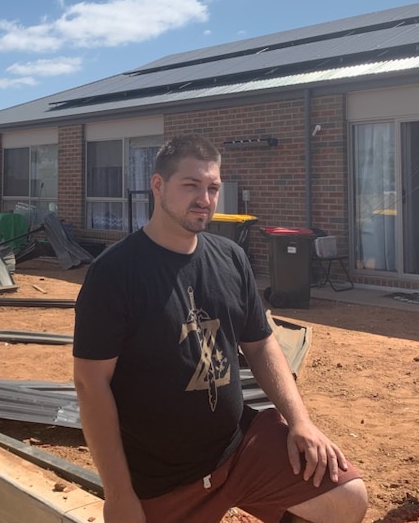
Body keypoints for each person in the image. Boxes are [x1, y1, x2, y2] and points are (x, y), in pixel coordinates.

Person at [73, 134, 368, 523]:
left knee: (346, 497)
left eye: (213, 187)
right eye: (191, 185)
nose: (204, 199)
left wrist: (300, 420)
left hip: (237, 449)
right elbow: (91, 385)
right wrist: (118, 495)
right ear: (158, 186)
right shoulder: (114, 273)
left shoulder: (231, 258)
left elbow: (261, 345)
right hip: (162, 477)